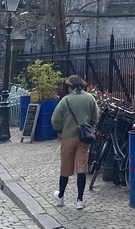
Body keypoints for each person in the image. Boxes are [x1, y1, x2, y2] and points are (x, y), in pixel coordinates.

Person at [50, 75, 100, 210]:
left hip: (67, 137)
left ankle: (60, 196)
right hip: (84, 137)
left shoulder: (65, 100)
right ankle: (80, 200)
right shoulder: (89, 98)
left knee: (65, 167)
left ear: (70, 86)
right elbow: (96, 116)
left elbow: (55, 120)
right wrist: (89, 126)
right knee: (81, 167)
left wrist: (60, 132)